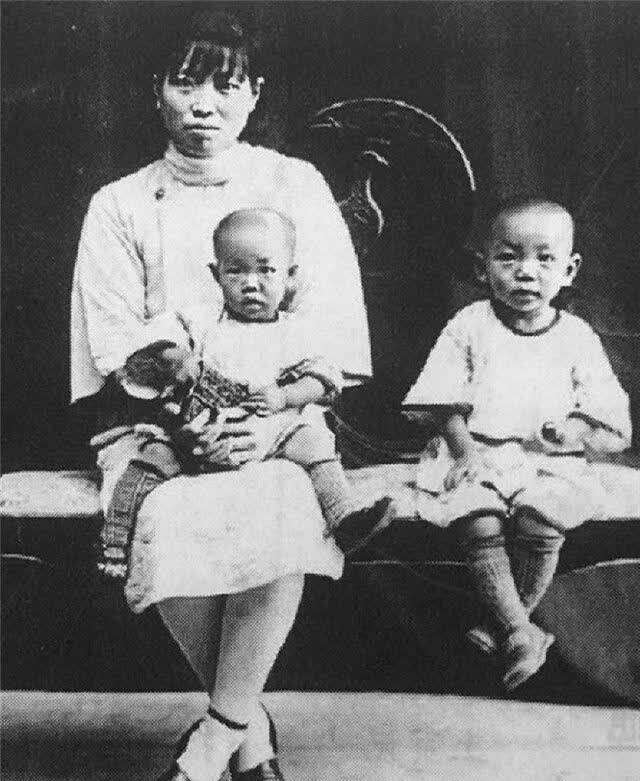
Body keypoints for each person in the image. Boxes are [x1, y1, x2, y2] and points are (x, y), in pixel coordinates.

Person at [70, 11, 372, 781]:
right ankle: (249, 727)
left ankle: (213, 739)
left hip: (280, 418)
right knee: (166, 514)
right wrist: (190, 420)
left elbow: (328, 329)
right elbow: (119, 346)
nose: (203, 104)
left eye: (225, 85)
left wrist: (266, 423)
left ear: (254, 94)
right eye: (185, 83)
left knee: (283, 503)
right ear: (156, 91)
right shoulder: (120, 204)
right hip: (156, 426)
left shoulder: (294, 184)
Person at [403, 197, 635, 691]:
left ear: (569, 271)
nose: (526, 272)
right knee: (477, 518)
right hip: (475, 450)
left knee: (540, 518)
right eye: (508, 258)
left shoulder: (576, 336)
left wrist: (572, 429)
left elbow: (604, 408)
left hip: (547, 462)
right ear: (483, 268)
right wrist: (465, 452)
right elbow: (442, 400)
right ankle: (522, 632)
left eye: (544, 259)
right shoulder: (469, 325)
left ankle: (506, 626)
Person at [98, 207, 394, 578]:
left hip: (271, 428)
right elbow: (148, 359)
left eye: (266, 270)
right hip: (200, 429)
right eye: (235, 271)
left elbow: (323, 379)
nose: (251, 284)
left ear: (290, 276)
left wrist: (286, 396)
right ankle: (115, 542)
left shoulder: (296, 332)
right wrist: (177, 360)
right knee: (150, 459)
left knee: (314, 442)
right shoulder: (200, 322)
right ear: (216, 275)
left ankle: (343, 519)